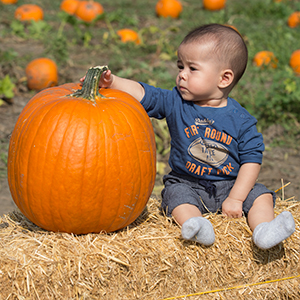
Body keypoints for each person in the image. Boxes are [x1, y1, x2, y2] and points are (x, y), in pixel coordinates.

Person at [81, 23, 295, 249]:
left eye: (192, 69)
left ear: (224, 78)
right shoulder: (176, 103)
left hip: (231, 184)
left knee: (261, 195)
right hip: (188, 182)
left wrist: (236, 198)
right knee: (175, 196)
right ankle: (196, 225)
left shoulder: (241, 119)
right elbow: (146, 94)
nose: (181, 75)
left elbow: (252, 159)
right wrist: (114, 82)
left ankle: (263, 230)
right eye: (180, 66)